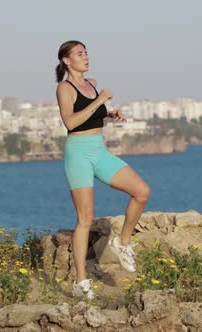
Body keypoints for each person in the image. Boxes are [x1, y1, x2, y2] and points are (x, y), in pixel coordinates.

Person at [55, 40, 151, 300]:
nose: (85, 57)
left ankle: (122, 243)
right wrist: (100, 99)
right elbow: (71, 121)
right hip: (78, 153)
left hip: (99, 150)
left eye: (86, 53)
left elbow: (89, 115)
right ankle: (81, 281)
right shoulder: (65, 88)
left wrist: (108, 113)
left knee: (141, 192)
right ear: (66, 60)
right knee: (85, 219)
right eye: (79, 54)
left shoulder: (92, 83)